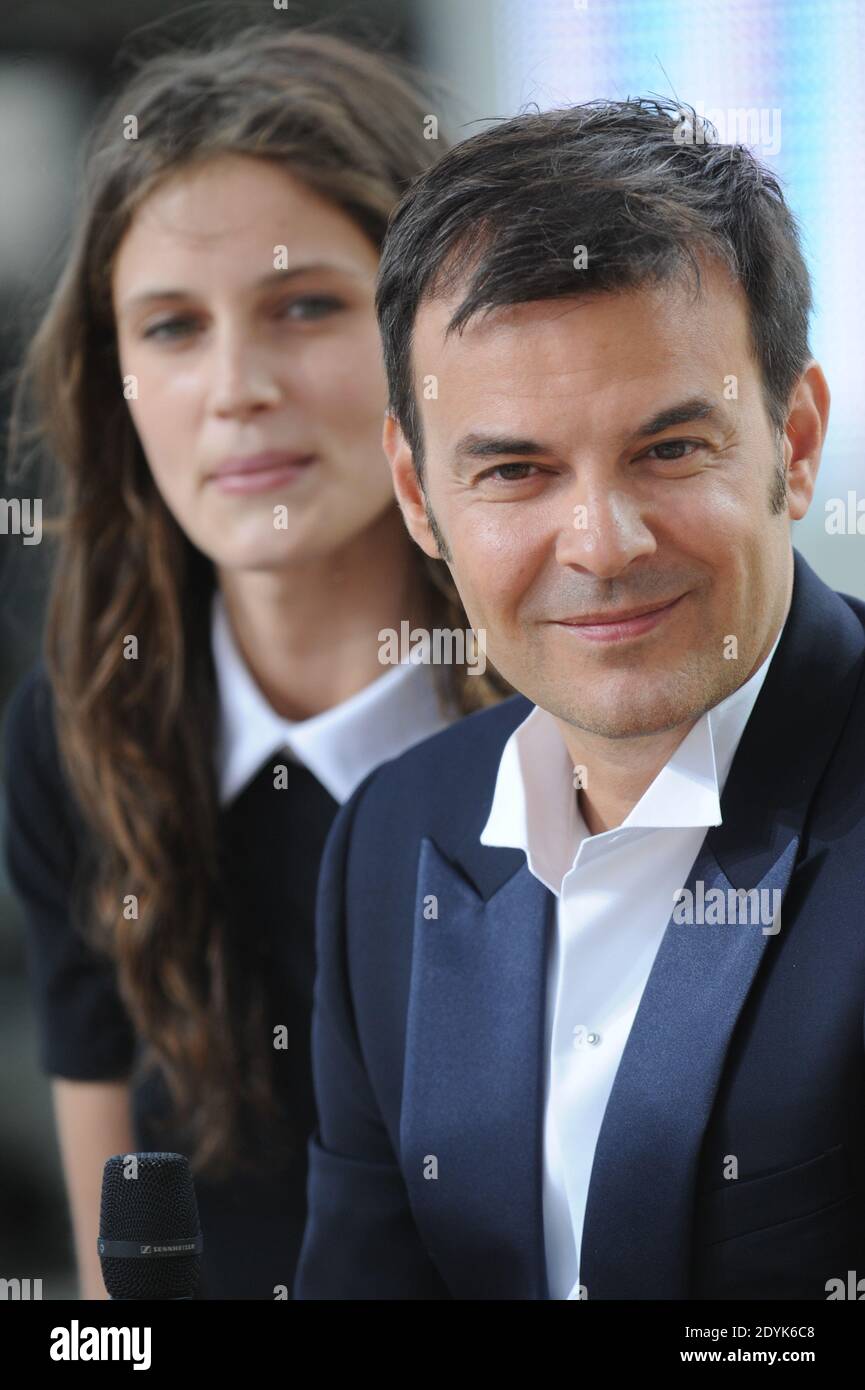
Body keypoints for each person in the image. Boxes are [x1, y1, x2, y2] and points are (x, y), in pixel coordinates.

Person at [294, 98, 865, 1301]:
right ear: (416, 492)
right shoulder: (391, 843)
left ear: (794, 440)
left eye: (668, 450)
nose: (600, 545)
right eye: (515, 470)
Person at [2, 24, 508, 1300]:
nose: (237, 385)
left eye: (305, 306)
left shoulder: (584, 723)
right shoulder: (81, 740)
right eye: (171, 327)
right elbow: (115, 1281)